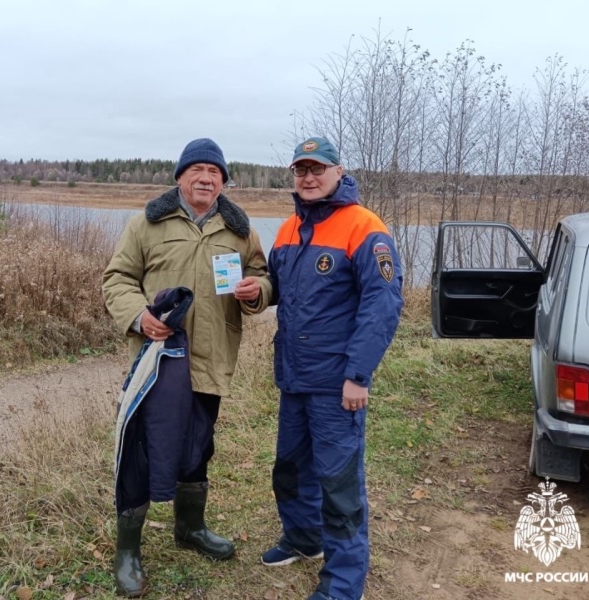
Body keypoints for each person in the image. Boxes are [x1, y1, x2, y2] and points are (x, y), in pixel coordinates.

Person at [102, 137, 272, 597]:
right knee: (140, 451)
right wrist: (140, 315)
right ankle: (128, 551)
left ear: (223, 181)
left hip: (212, 359)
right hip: (156, 363)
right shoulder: (146, 224)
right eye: (196, 170)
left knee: (198, 446)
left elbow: (264, 276)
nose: (205, 178)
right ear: (179, 177)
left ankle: (189, 529)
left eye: (214, 172)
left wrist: (257, 291)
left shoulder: (239, 230)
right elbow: (116, 278)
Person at [261, 136, 404, 600]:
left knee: (339, 486)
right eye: (301, 170)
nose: (308, 177)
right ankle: (305, 540)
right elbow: (283, 287)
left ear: (338, 172)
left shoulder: (364, 227)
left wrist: (357, 375)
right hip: (294, 377)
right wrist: (256, 290)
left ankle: (344, 586)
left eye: (317, 169)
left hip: (336, 384)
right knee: (290, 468)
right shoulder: (287, 230)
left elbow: (382, 304)